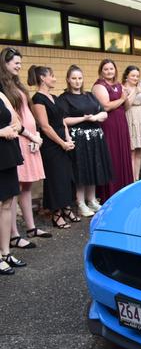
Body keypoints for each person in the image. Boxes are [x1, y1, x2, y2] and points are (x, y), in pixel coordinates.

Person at [0, 48, 50, 248]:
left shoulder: (16, 83)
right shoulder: (2, 87)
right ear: (4, 63)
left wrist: (34, 134)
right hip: (14, 140)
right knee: (13, 190)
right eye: (16, 63)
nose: (19, 66)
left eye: (20, 63)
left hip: (28, 137)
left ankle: (30, 226)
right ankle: (13, 234)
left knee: (27, 186)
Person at [58, 65, 112, 217]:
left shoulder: (89, 95)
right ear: (68, 79)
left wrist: (95, 118)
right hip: (78, 138)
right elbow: (64, 120)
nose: (77, 81)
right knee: (81, 170)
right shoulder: (64, 98)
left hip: (94, 138)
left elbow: (104, 113)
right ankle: (80, 202)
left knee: (94, 168)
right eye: (74, 78)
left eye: (80, 78)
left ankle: (92, 200)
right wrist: (84, 118)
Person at [29, 66, 79, 228]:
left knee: (66, 177)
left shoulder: (54, 97)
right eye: (52, 76)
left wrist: (68, 138)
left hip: (63, 142)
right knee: (55, 179)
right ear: (43, 78)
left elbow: (62, 121)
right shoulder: (37, 99)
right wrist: (61, 143)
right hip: (51, 145)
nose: (55, 79)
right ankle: (56, 214)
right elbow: (45, 127)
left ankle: (67, 208)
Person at [92, 59, 134, 202]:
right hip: (109, 125)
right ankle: (110, 192)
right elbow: (106, 106)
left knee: (123, 154)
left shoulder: (118, 85)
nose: (109, 71)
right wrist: (123, 98)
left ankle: (124, 188)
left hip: (121, 123)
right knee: (112, 155)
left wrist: (126, 97)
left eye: (112, 69)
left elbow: (126, 107)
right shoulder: (99, 86)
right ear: (101, 71)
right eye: (106, 69)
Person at [0, 88, 27, 274]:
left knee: (7, 202)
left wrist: (14, 127)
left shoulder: (0, 94)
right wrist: (1, 132)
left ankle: (5, 253)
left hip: (7, 154)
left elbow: (16, 120)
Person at [122, 65, 141, 180]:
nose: (135, 78)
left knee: (139, 151)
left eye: (137, 76)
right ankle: (130, 178)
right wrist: (136, 91)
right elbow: (126, 105)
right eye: (133, 76)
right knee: (131, 151)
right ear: (126, 76)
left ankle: (136, 178)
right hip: (130, 117)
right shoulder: (124, 88)